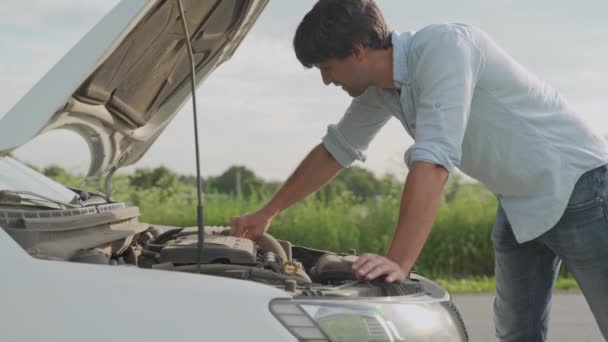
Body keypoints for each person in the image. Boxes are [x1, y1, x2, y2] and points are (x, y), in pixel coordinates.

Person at [230, 0, 608, 340]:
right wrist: (268, 211)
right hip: (519, 203)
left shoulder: (444, 48)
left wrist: (398, 260)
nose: (327, 80)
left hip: (582, 189)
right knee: (515, 332)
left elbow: (434, 160)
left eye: (327, 68)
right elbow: (336, 150)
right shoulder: (381, 89)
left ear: (358, 51)